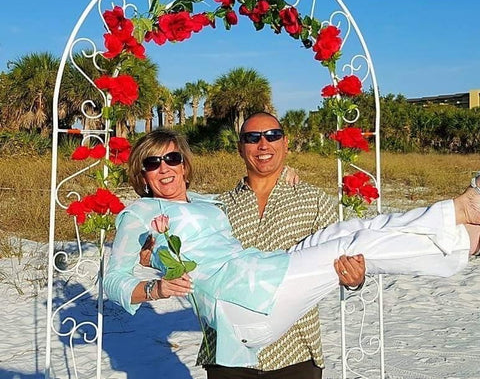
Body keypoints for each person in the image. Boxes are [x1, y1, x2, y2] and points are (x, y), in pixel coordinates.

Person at [104, 128, 480, 368]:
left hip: (260, 278)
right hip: (240, 303)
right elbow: (113, 281)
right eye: (153, 163)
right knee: (354, 240)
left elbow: (245, 193)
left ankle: (465, 240)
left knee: (352, 229)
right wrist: (157, 287)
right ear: (142, 175)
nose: (164, 168)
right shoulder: (139, 213)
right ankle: (459, 214)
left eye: (172, 158)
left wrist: (283, 174)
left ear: (184, 165)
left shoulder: (206, 203)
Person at [199, 112, 363, 379]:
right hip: (228, 353)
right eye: (252, 138)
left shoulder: (313, 200)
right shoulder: (219, 207)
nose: (263, 145)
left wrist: (355, 277)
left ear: (285, 143)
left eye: (272, 136)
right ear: (240, 148)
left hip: (295, 351)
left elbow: (344, 255)